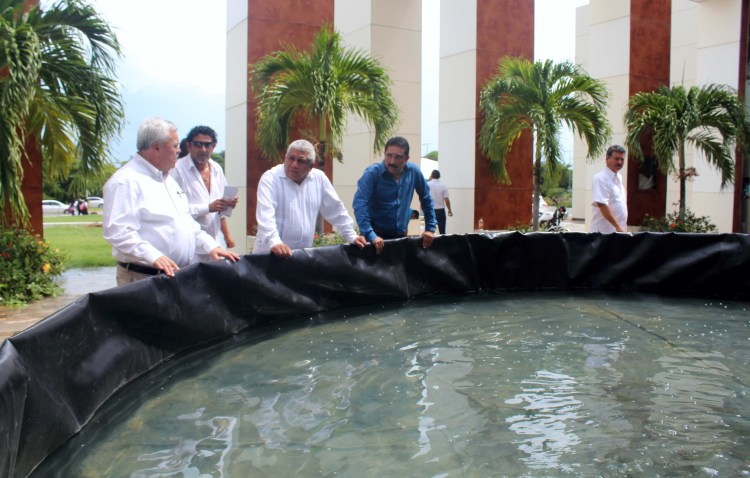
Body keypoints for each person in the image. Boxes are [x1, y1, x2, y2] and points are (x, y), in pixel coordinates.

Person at [103, 117, 239, 286]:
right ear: (156, 148)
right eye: (174, 146)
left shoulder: (167, 179)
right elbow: (118, 232)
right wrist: (154, 256)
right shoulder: (126, 181)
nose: (179, 151)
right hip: (143, 278)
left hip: (174, 276)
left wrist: (212, 247)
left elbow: (187, 224)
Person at [254, 139, 367, 257]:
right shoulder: (270, 178)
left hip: (301, 257)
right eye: (291, 158)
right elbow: (265, 215)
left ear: (311, 166)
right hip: (270, 256)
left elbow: (336, 210)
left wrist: (352, 236)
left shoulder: (319, 178)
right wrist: (275, 242)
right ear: (285, 157)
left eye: (301, 161)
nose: (294, 164)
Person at [353, 136, 437, 254]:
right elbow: (360, 204)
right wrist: (370, 234)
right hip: (375, 239)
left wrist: (430, 229)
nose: (392, 161)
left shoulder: (413, 172)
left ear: (406, 159)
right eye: (389, 155)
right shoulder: (372, 173)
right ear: (384, 154)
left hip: (401, 237)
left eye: (398, 157)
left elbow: (426, 198)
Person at [170, 125, 238, 260]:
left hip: (216, 243)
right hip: (190, 247)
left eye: (207, 145)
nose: (203, 149)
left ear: (213, 146)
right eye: (198, 144)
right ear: (189, 146)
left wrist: (229, 205)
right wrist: (208, 208)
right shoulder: (177, 170)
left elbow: (220, 211)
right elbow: (174, 211)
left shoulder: (217, 169)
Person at [591, 144, 628, 233]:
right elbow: (602, 205)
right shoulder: (601, 178)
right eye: (616, 159)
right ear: (607, 158)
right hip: (604, 234)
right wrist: (618, 227)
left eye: (622, 159)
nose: (619, 162)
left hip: (618, 233)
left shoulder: (619, 177)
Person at [427, 170, 452, 234]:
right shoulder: (443, 186)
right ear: (439, 176)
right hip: (440, 211)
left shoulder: (427, 184)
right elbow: (446, 200)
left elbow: (424, 197)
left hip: (430, 210)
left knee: (430, 231)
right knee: (442, 231)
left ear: (431, 175)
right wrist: (449, 210)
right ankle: (443, 240)